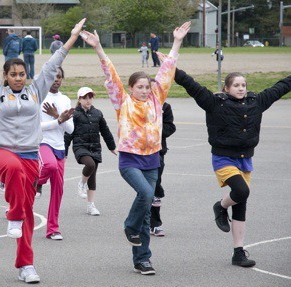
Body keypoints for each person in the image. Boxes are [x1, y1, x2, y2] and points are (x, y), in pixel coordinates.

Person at [0, 14, 86, 284]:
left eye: (22, 74)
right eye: (13, 74)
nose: (18, 78)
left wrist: (73, 37)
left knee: (28, 214)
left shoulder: (35, 92)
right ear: (6, 76)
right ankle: (13, 214)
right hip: (2, 153)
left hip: (30, 156)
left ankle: (26, 265)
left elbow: (55, 62)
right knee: (12, 170)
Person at [80, 21, 190, 275]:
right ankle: (129, 227)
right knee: (146, 196)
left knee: (147, 211)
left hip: (152, 159)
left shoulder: (157, 98)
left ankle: (143, 259)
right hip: (130, 160)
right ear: (130, 89)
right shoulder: (123, 101)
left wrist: (177, 42)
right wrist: (98, 49)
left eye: (146, 87)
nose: (143, 90)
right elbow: (111, 75)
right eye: (139, 87)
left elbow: (167, 70)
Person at [174, 68, 291, 268]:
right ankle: (220, 206)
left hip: (245, 159)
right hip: (223, 158)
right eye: (236, 85)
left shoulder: (257, 102)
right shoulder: (215, 103)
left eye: (243, 85)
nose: (240, 88)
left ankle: (238, 252)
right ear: (226, 88)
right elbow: (191, 85)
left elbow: (280, 87)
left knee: (241, 202)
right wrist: (172, 68)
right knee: (241, 191)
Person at [64, 87, 116, 216]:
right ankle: (81, 183)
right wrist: (63, 152)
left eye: (90, 97)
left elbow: (105, 131)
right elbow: (68, 134)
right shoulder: (74, 114)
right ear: (79, 99)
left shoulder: (97, 113)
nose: (88, 100)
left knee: (92, 177)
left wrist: (111, 146)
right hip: (80, 147)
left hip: (95, 147)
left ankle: (90, 206)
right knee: (90, 165)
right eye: (84, 98)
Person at [36, 67, 75, 240]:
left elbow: (70, 128)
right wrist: (57, 120)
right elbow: (36, 127)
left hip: (60, 147)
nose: (56, 80)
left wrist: (58, 117)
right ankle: (35, 182)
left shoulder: (65, 99)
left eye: (59, 77)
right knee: (49, 166)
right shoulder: (38, 97)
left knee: (58, 189)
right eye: (53, 77)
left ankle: (53, 229)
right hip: (43, 143)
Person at [150, 102, 176, 237]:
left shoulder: (165, 106)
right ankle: (144, 221)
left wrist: (155, 128)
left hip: (158, 152)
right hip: (139, 152)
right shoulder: (135, 105)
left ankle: (154, 223)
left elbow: (170, 127)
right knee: (145, 190)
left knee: (155, 187)